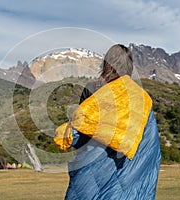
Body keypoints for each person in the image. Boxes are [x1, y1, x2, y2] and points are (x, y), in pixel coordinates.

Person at [54, 44, 161, 200]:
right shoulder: (142, 98)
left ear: (106, 64)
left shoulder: (92, 89)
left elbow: (81, 129)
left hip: (93, 169)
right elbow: (149, 144)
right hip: (130, 170)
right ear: (129, 66)